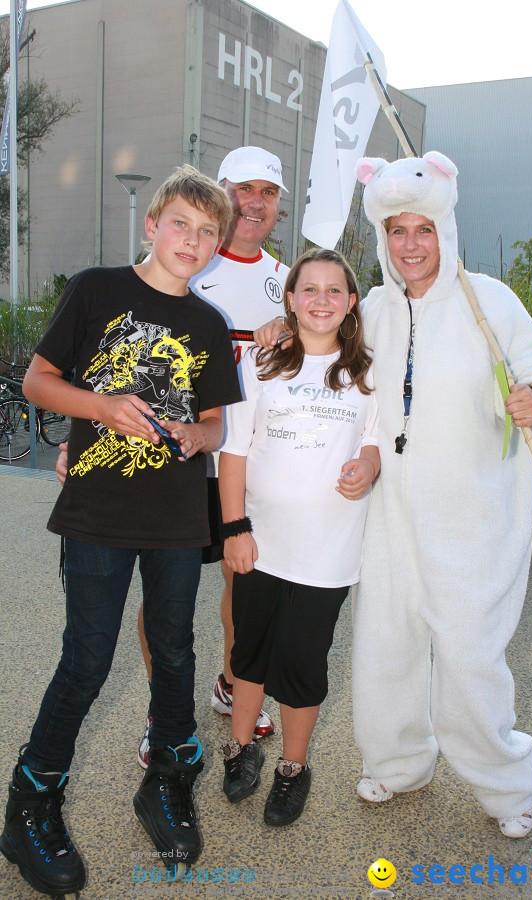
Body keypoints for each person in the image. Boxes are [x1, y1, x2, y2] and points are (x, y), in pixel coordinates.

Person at [256, 152, 532, 839]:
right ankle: (400, 762)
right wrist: (280, 333)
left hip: (471, 514)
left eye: (422, 229)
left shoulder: (489, 301)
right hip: (390, 514)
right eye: (397, 230)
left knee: (468, 656)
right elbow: (320, 343)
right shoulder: (370, 306)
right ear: (383, 237)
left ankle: (505, 785)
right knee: (387, 645)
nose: (410, 244)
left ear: (444, 229)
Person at [0, 166, 241, 896]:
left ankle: (165, 777)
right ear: (152, 224)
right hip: (100, 513)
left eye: (207, 233)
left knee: (173, 650)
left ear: (217, 245)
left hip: (174, 516)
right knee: (88, 660)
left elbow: (216, 420)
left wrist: (198, 438)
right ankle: (30, 804)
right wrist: (102, 409)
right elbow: (39, 381)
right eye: (180, 225)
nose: (191, 241)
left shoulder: (207, 323)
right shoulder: (98, 288)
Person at [56, 146, 290, 763]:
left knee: (241, 582)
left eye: (268, 191)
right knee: (155, 607)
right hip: (156, 475)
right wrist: (86, 431)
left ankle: (232, 685)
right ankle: (164, 714)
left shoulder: (291, 281)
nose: (253, 202)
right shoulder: (176, 264)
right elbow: (83, 371)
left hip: (245, 460)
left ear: (279, 205)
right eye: (242, 188)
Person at [217, 248, 380, 827]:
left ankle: (292, 765)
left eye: (334, 291)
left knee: (303, 662)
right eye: (308, 289)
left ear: (351, 303)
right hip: (258, 542)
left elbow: (374, 441)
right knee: (250, 652)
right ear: (289, 298)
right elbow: (233, 452)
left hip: (327, 552)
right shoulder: (262, 365)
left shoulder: (367, 374)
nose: (320, 300)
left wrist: (368, 467)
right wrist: (234, 528)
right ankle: (239, 748)